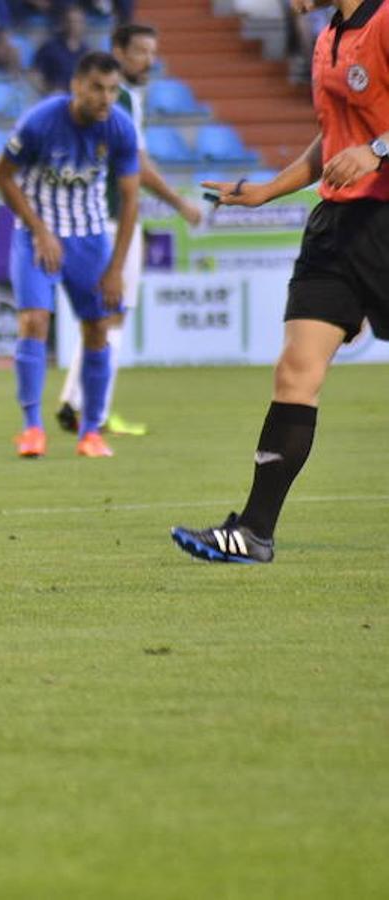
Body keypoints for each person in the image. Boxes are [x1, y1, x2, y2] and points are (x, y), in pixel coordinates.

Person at [171, 0, 388, 564]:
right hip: (335, 228)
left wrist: (378, 151)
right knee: (295, 371)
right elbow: (334, 138)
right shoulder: (325, 37)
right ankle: (254, 531)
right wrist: (269, 189)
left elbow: (366, 143)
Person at [54, 22, 205, 437]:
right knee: (114, 315)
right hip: (111, 220)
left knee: (101, 315)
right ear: (118, 52)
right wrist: (180, 203)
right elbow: (136, 163)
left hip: (92, 218)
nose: (149, 60)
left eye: (153, 52)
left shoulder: (107, 99)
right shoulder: (118, 99)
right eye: (141, 51)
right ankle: (94, 411)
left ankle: (75, 401)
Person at [0, 51, 140, 459]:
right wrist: (39, 230)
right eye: (97, 88)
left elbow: (130, 202)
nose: (105, 98)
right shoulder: (41, 121)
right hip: (38, 239)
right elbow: (1, 175)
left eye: (112, 90)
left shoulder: (121, 128)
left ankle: (90, 432)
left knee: (97, 330)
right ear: (76, 86)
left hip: (90, 241)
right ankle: (31, 428)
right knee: (34, 320)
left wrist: (116, 268)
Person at [30, 3, 88, 95]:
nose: (74, 25)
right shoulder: (49, 48)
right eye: (70, 21)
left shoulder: (87, 52)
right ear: (63, 23)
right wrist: (48, 91)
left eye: (78, 22)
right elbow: (35, 75)